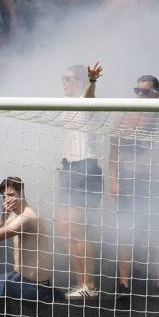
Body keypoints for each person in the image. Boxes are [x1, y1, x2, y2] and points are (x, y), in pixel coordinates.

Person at [109, 74, 159, 294]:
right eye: (137, 91)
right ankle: (123, 283)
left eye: (145, 91)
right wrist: (114, 181)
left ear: (156, 94)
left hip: (156, 181)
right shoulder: (124, 119)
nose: (140, 95)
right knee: (126, 232)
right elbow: (113, 153)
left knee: (158, 232)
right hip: (129, 180)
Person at [56, 62, 102, 299]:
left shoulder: (85, 101)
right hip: (67, 168)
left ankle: (89, 285)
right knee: (65, 233)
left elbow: (89, 97)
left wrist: (92, 82)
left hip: (85, 168)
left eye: (68, 79)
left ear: (80, 82)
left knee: (79, 231)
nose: (63, 83)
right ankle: (80, 284)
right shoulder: (64, 104)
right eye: (62, 78)